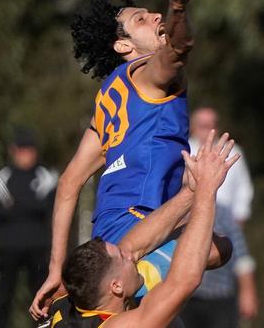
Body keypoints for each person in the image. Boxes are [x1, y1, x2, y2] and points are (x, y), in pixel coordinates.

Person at [30, 0, 203, 320]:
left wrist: (56, 270)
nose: (155, 17)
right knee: (209, 253)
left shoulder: (109, 95)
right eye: (141, 19)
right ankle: (126, 284)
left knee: (216, 248)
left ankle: (76, 308)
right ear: (123, 46)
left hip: (108, 231)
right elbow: (178, 50)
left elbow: (68, 183)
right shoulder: (149, 76)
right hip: (135, 225)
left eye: (154, 12)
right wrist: (177, 7)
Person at [41, 130, 239, 328]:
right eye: (123, 258)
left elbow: (129, 248)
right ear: (116, 286)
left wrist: (190, 192)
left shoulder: (71, 300)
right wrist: (206, 188)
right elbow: (184, 282)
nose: (130, 257)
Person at [0, 127, 59, 328]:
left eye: (29, 149)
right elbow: (2, 210)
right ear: (13, 151)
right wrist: (30, 205)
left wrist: (16, 203)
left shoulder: (47, 176)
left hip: (38, 247)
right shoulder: (1, 177)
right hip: (8, 247)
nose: (26, 155)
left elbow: (46, 207)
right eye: (22, 149)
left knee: (39, 296)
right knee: (4, 297)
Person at [180, 204, 259, 328]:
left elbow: (242, 257)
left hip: (219, 297)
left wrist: (248, 292)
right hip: (184, 298)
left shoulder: (223, 214)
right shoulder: (177, 211)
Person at [189, 107, 254, 224]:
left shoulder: (233, 151)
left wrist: (241, 215)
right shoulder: (185, 150)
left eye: (211, 125)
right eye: (203, 125)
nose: (208, 130)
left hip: (226, 218)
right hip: (190, 217)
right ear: (193, 126)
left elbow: (243, 186)